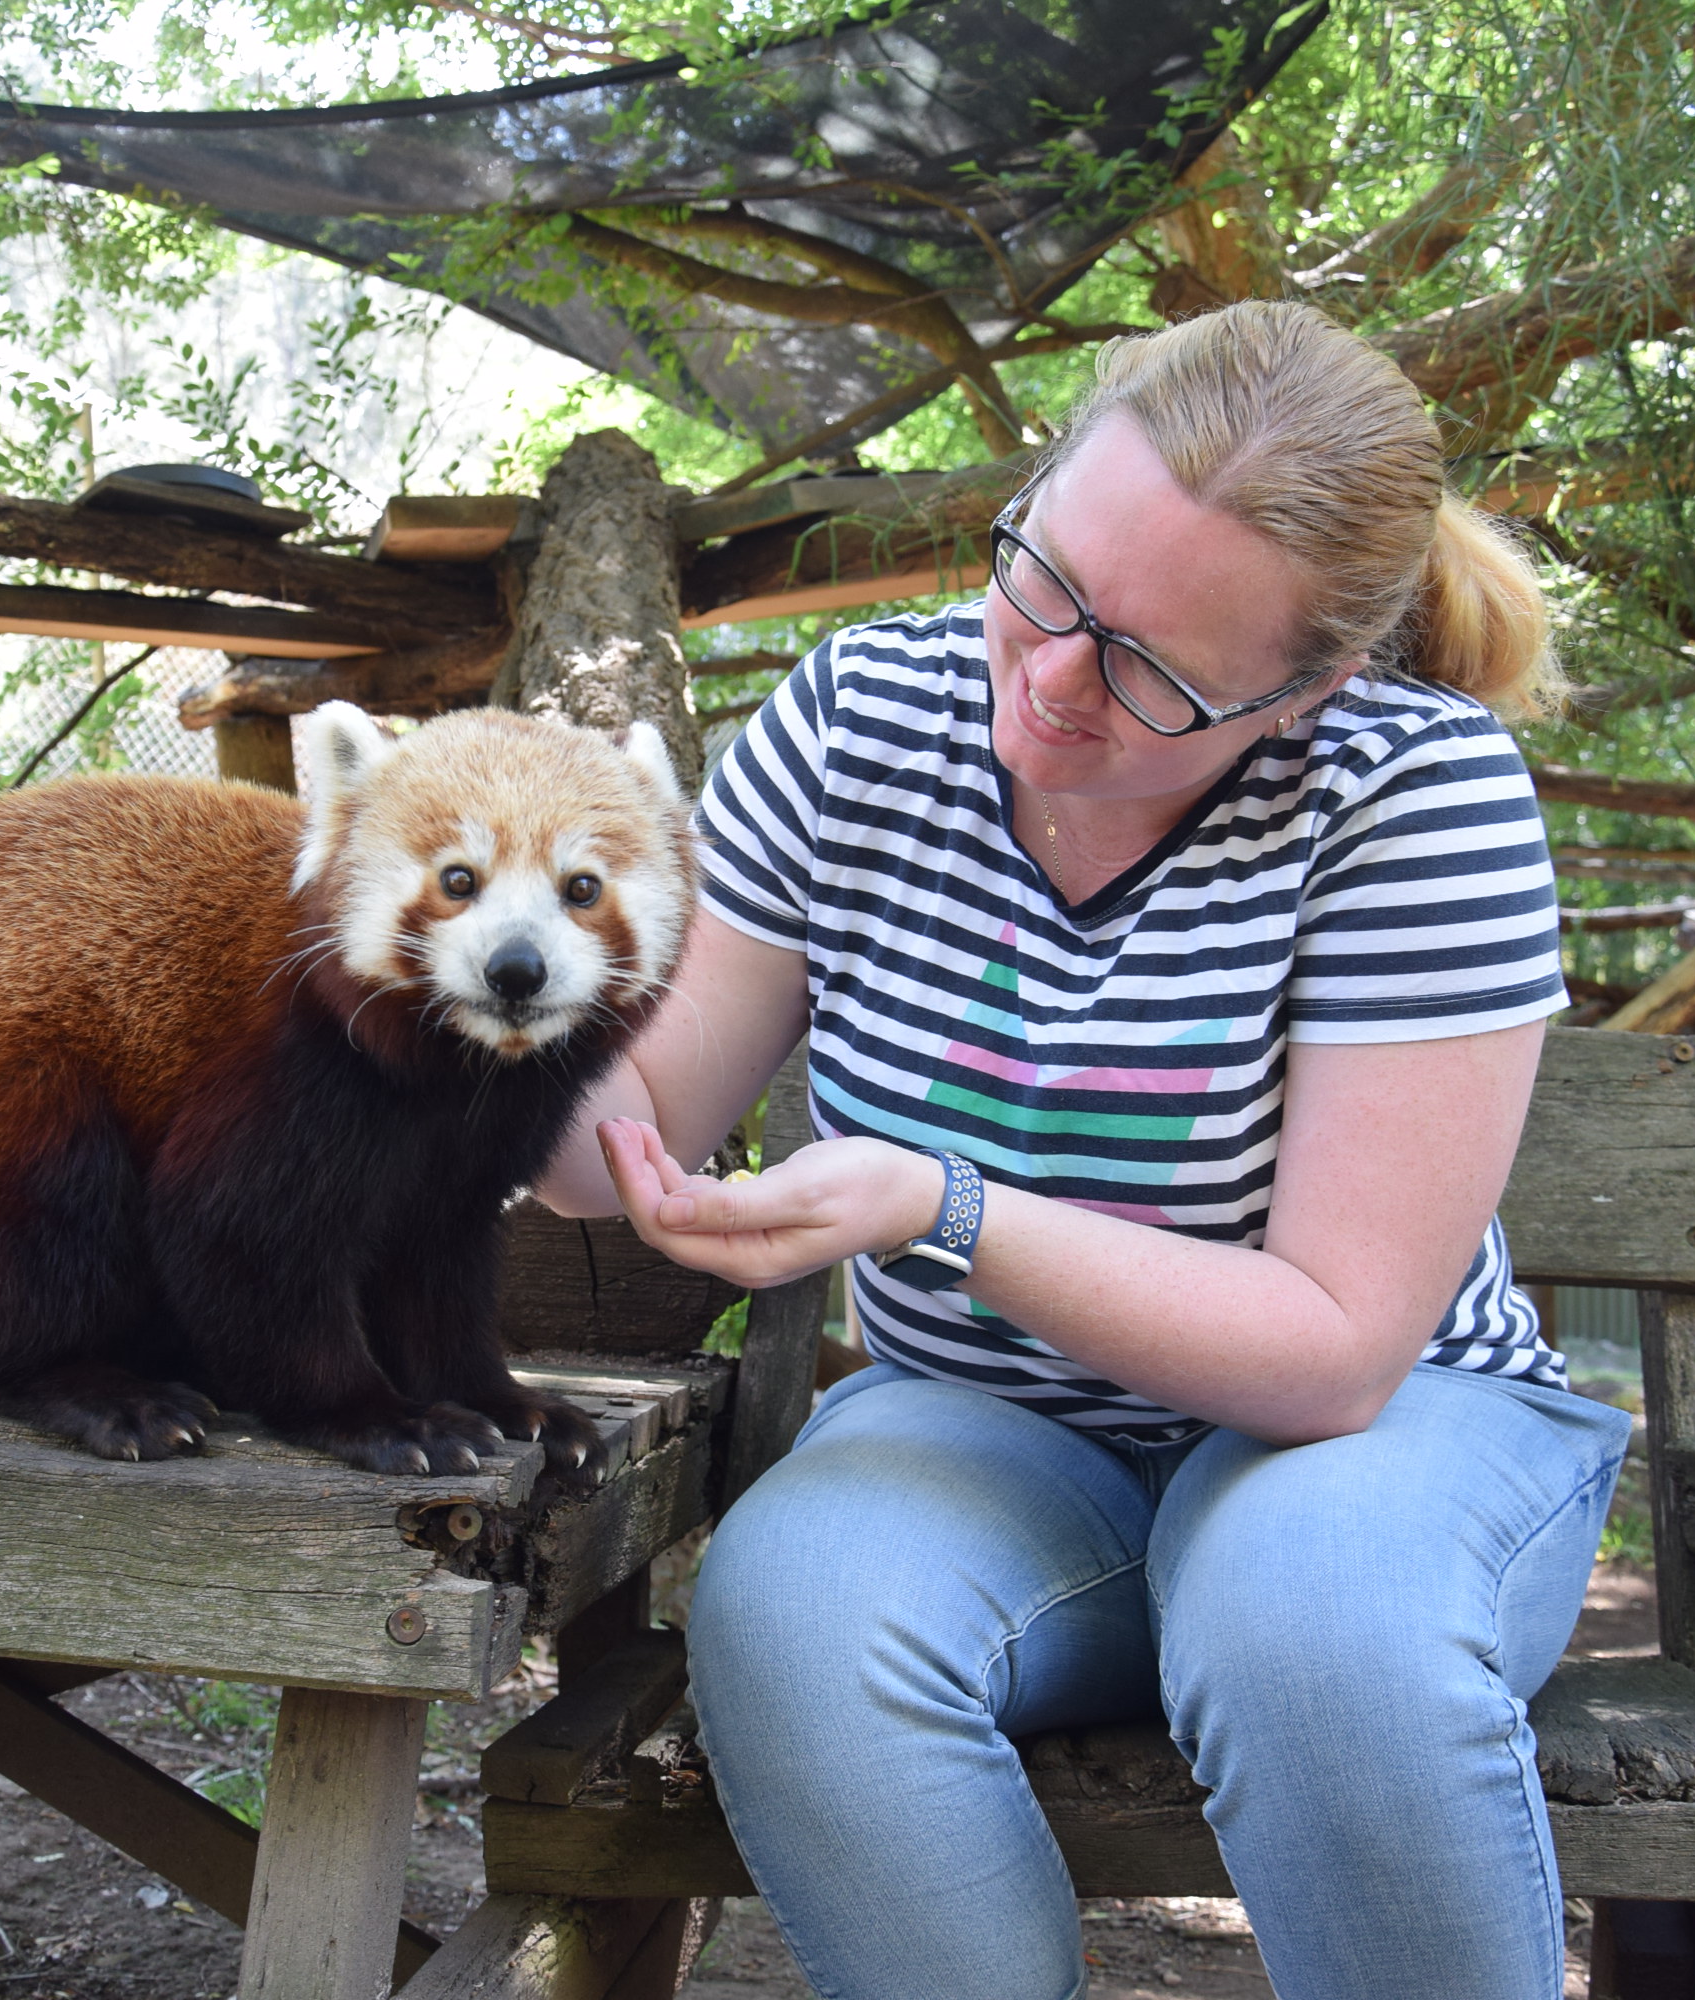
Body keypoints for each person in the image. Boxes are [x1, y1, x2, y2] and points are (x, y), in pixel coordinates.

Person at [531, 300, 1633, 2000]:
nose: (1049, 685)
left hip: (1376, 1441)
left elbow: (1336, 1351)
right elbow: (614, 1138)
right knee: (794, 1617)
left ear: (1308, 688)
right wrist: (460, 1013)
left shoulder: (1416, 791)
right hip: (987, 1436)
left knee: (1310, 1636)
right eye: (1040, 583)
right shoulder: (861, 719)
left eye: (1149, 671)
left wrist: (941, 1207)